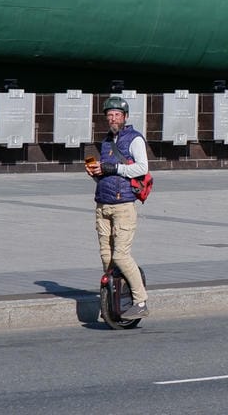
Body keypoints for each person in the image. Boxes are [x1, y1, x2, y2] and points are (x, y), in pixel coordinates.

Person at [85, 95, 150, 319]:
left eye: (117, 115)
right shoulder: (105, 142)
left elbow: (142, 168)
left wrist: (113, 169)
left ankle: (140, 301)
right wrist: (96, 174)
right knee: (106, 257)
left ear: (125, 117)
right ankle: (114, 302)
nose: (113, 118)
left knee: (121, 256)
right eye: (110, 115)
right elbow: (107, 175)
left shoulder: (134, 139)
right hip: (103, 204)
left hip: (123, 206)